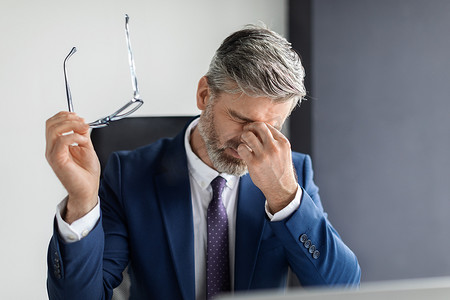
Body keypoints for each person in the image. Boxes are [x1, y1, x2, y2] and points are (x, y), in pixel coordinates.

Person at [45, 25, 361, 300]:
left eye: (271, 128)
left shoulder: (294, 174)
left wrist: (285, 198)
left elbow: (343, 290)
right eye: (240, 119)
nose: (249, 141)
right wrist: (82, 201)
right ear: (204, 94)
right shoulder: (129, 175)